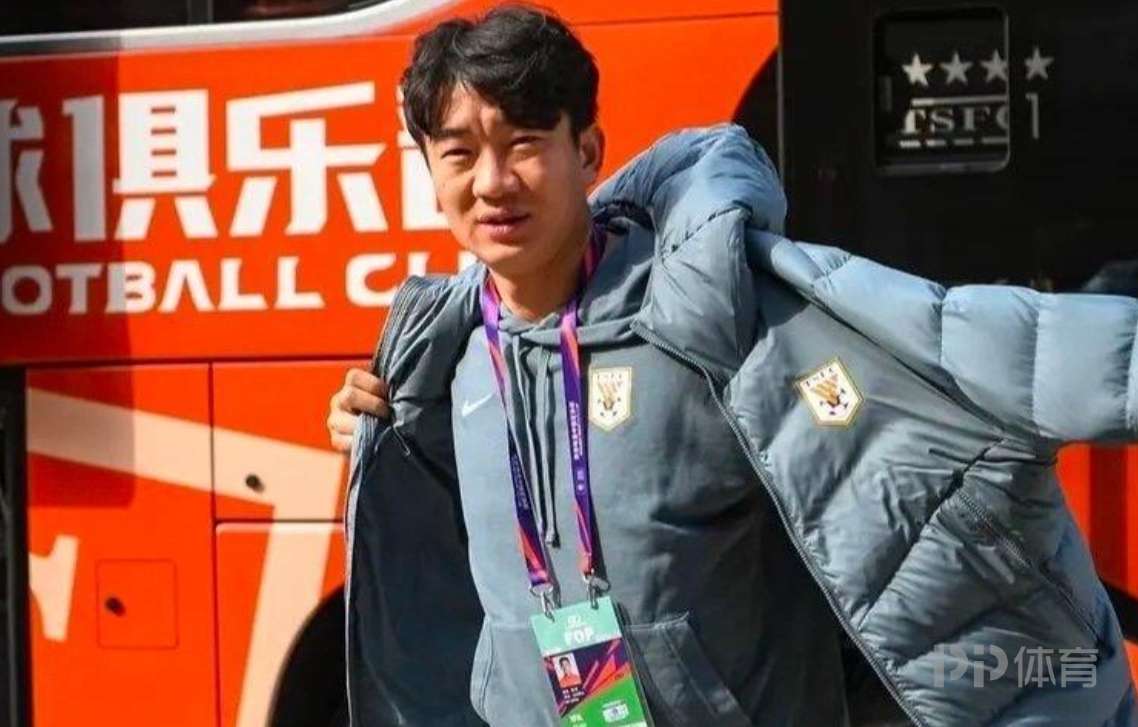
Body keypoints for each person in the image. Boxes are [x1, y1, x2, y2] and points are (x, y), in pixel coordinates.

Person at [329, 5, 1138, 726]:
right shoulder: (451, 361)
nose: (493, 182)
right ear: (430, 172)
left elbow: (963, 341)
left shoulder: (706, 311)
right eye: (460, 153)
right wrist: (372, 437)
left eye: (525, 144)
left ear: (589, 150)